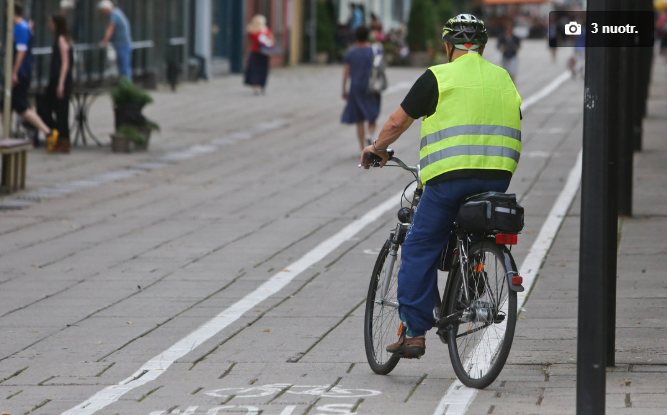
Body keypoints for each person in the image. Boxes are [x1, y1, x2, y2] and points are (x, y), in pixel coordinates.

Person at [361, 14, 521, 357]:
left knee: (420, 245)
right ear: (482, 46)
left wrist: (377, 149)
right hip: (498, 176)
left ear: (448, 46)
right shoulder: (504, 77)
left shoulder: (437, 76)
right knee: (473, 228)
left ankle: (415, 332)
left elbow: (397, 122)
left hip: (449, 178)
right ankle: (471, 279)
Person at [0, 1, 58, 150]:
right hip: (22, 72)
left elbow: (21, 51)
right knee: (7, 105)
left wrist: (14, 72)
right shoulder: (24, 26)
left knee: (21, 107)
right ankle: (7, 135)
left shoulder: (20, 28)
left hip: (20, 73)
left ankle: (48, 132)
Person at [342, 26, 382, 151]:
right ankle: (370, 134)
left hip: (356, 87)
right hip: (372, 86)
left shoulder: (351, 52)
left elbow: (346, 71)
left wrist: (344, 88)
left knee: (359, 118)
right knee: (372, 115)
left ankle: (362, 147)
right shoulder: (375, 50)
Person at [41, 14, 73, 154]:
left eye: (50, 22)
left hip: (59, 80)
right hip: (60, 79)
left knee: (57, 110)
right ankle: (61, 138)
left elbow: (65, 63)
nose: (48, 24)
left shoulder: (61, 39)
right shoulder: (65, 38)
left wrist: (60, 83)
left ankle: (61, 138)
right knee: (60, 111)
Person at [98, 0, 133, 80]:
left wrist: (104, 41)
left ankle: (127, 86)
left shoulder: (114, 15)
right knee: (123, 67)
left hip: (122, 45)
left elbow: (110, 29)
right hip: (123, 44)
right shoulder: (117, 12)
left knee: (124, 68)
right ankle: (125, 85)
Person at [244, 15, 274, 95]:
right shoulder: (257, 31)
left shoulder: (257, 30)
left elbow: (271, 40)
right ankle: (259, 86)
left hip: (260, 53)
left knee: (258, 70)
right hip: (259, 52)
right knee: (258, 70)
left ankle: (259, 86)